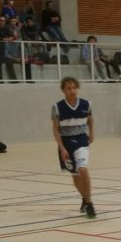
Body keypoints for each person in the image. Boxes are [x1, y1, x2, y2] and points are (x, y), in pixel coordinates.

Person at [52, 77, 97, 219]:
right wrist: (62, 148)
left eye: (74, 88)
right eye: (68, 88)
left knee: (83, 169)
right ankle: (85, 198)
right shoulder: (57, 107)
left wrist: (91, 133)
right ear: (63, 90)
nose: (72, 91)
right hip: (66, 144)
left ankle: (89, 204)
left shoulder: (86, 104)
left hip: (81, 141)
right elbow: (55, 130)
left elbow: (90, 119)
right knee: (76, 176)